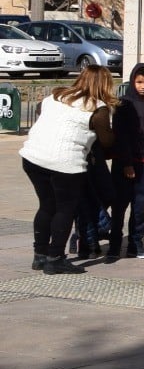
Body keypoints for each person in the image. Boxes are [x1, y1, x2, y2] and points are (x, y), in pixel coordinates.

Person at [20, 65, 117, 275]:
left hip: (33, 157)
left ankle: (40, 256)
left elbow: (40, 112)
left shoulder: (55, 96)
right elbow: (107, 141)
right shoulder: (98, 109)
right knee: (65, 210)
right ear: (105, 84)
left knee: (47, 206)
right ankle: (55, 259)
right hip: (65, 164)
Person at [110, 63, 144, 260]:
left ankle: (136, 243)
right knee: (119, 204)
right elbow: (119, 135)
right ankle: (114, 244)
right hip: (124, 162)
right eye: (139, 82)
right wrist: (126, 163)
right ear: (133, 82)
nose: (143, 86)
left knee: (139, 205)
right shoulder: (123, 104)